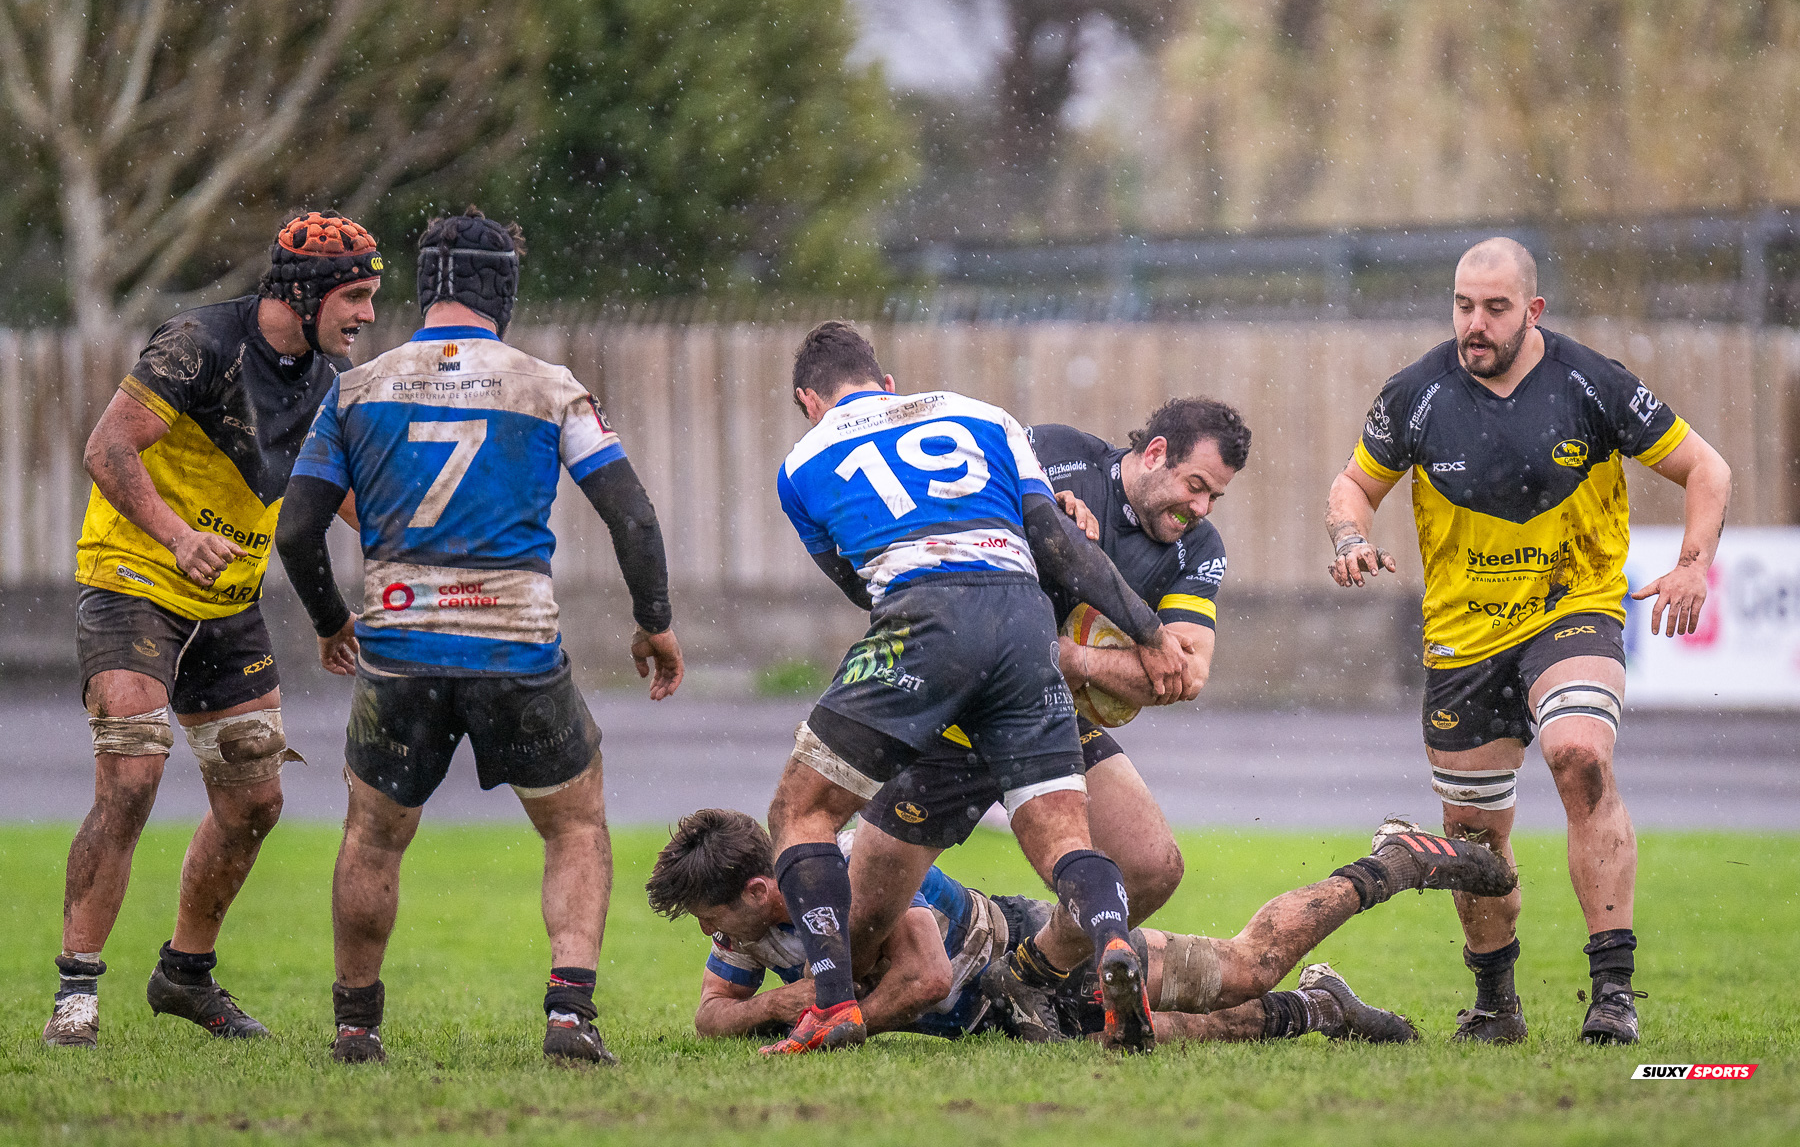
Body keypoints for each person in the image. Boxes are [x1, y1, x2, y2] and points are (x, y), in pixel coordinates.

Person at [274, 209, 684, 1066]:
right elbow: (633, 516)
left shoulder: (355, 389)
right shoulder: (547, 384)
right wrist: (654, 622)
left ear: (426, 287)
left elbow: (299, 530)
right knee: (574, 823)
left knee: (374, 833)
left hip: (399, 644)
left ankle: (356, 1024)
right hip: (515, 645)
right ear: (504, 291)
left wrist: (329, 620)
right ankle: (569, 1011)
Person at [1324, 237, 1732, 1046]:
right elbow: (1353, 484)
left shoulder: (1592, 382)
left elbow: (1706, 469)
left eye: (1496, 308)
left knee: (1580, 754)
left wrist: (1693, 565)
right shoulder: (1414, 393)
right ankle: (1495, 1001)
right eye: (1463, 305)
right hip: (1463, 640)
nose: (1475, 324)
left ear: (1533, 310)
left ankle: (1613, 992)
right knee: (1475, 840)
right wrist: (1347, 537)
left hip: (1569, 608)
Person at [760, 320, 1188, 1056]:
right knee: (1063, 839)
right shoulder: (980, 412)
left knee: (801, 809)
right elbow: (1058, 545)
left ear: (808, 399)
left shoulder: (802, 461)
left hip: (923, 616)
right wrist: (1148, 631)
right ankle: (1114, 943)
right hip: (1024, 620)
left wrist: (930, 662)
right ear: (886, 380)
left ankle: (832, 1002)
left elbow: (857, 581)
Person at [43, 213, 382, 1050]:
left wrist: (413, 557)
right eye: (357, 296)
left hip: (227, 603)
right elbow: (106, 446)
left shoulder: (327, 378)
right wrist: (177, 535)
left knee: (255, 801)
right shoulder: (197, 343)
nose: (369, 314)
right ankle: (75, 992)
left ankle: (184, 974)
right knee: (131, 772)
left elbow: (339, 499)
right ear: (301, 295)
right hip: (132, 580)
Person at [855, 401, 1250, 1038]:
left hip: (1050, 715)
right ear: (1154, 455)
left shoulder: (1197, 549)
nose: (1201, 508)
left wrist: (1069, 658)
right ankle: (798, 996)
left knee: (1151, 866)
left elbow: (1183, 673)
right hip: (959, 714)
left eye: (1215, 497)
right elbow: (959, 521)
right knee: (859, 931)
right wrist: (1043, 518)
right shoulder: (1060, 451)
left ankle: (1027, 977)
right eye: (1195, 486)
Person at [646, 809, 1516, 1046]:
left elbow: (924, 981)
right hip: (1009, 1019)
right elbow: (710, 1013)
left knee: (1248, 967)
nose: (708, 937)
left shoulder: (851, 872)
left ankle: (1395, 860)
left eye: (711, 916)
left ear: (763, 887)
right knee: (1162, 1033)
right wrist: (775, 1004)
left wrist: (831, 1019)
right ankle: (1322, 1010)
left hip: (1028, 958)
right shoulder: (745, 928)